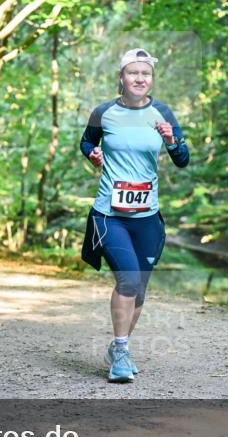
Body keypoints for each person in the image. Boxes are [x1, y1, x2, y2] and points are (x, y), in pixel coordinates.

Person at [79, 48, 190, 383]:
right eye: (133, 73)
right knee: (127, 278)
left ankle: (119, 347)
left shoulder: (162, 112)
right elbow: (86, 143)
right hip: (109, 214)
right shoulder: (103, 112)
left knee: (139, 287)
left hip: (147, 216)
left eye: (146, 74)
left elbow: (182, 159)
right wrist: (93, 154)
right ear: (121, 77)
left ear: (151, 79)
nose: (140, 79)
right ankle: (122, 350)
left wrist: (172, 141)